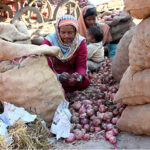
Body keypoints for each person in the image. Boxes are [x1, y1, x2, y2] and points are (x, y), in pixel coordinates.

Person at [42, 15, 90, 92]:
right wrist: (58, 76)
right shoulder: (49, 41)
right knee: (45, 82)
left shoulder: (80, 42)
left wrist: (79, 76)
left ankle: (57, 88)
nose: (66, 36)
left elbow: (81, 64)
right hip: (52, 74)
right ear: (58, 31)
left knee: (85, 81)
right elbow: (43, 64)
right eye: (63, 32)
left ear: (75, 31)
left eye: (70, 32)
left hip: (70, 74)